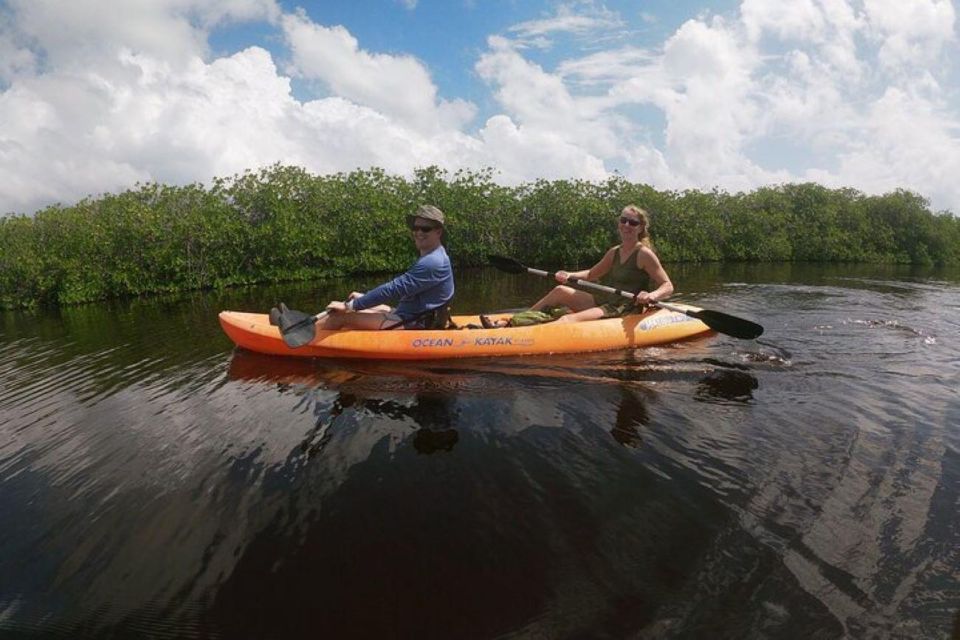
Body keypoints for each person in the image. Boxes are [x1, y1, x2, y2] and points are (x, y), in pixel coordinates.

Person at [482, 205, 673, 327]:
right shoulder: (614, 251)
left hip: (625, 307)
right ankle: (514, 322)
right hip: (607, 300)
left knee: (567, 320)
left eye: (632, 222)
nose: (626, 225)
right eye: (623, 220)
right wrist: (568, 274)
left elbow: (667, 285)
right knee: (559, 290)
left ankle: (520, 333)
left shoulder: (644, 254)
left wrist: (651, 295)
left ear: (640, 228)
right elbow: (591, 274)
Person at [318, 204, 454, 330]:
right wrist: (361, 300)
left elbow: (394, 289)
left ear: (438, 232)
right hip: (411, 314)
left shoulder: (432, 262)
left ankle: (305, 344)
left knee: (339, 317)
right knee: (357, 302)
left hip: (415, 322)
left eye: (425, 229)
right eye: (415, 228)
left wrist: (349, 306)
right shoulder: (434, 255)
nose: (418, 232)